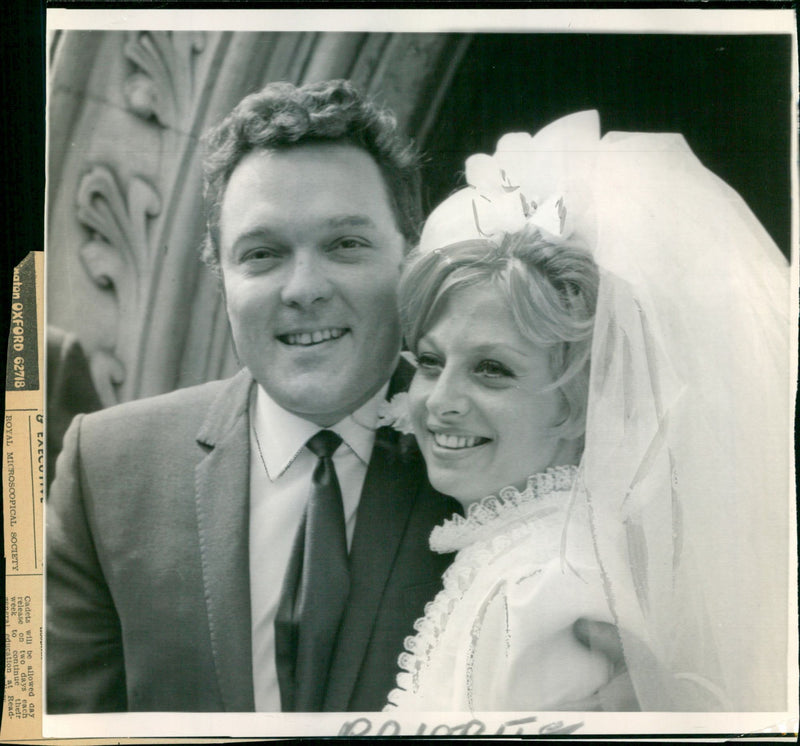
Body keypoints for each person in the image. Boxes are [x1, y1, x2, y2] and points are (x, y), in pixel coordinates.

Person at [45, 81, 628, 716]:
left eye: (346, 244)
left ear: (411, 257)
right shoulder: (106, 465)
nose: (304, 288)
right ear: (222, 277)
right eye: (262, 254)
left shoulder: (506, 450)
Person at [381, 111, 791, 712]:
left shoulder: (541, 589)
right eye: (431, 361)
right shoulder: (517, 560)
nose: (440, 402)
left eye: (492, 369)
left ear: (581, 400)